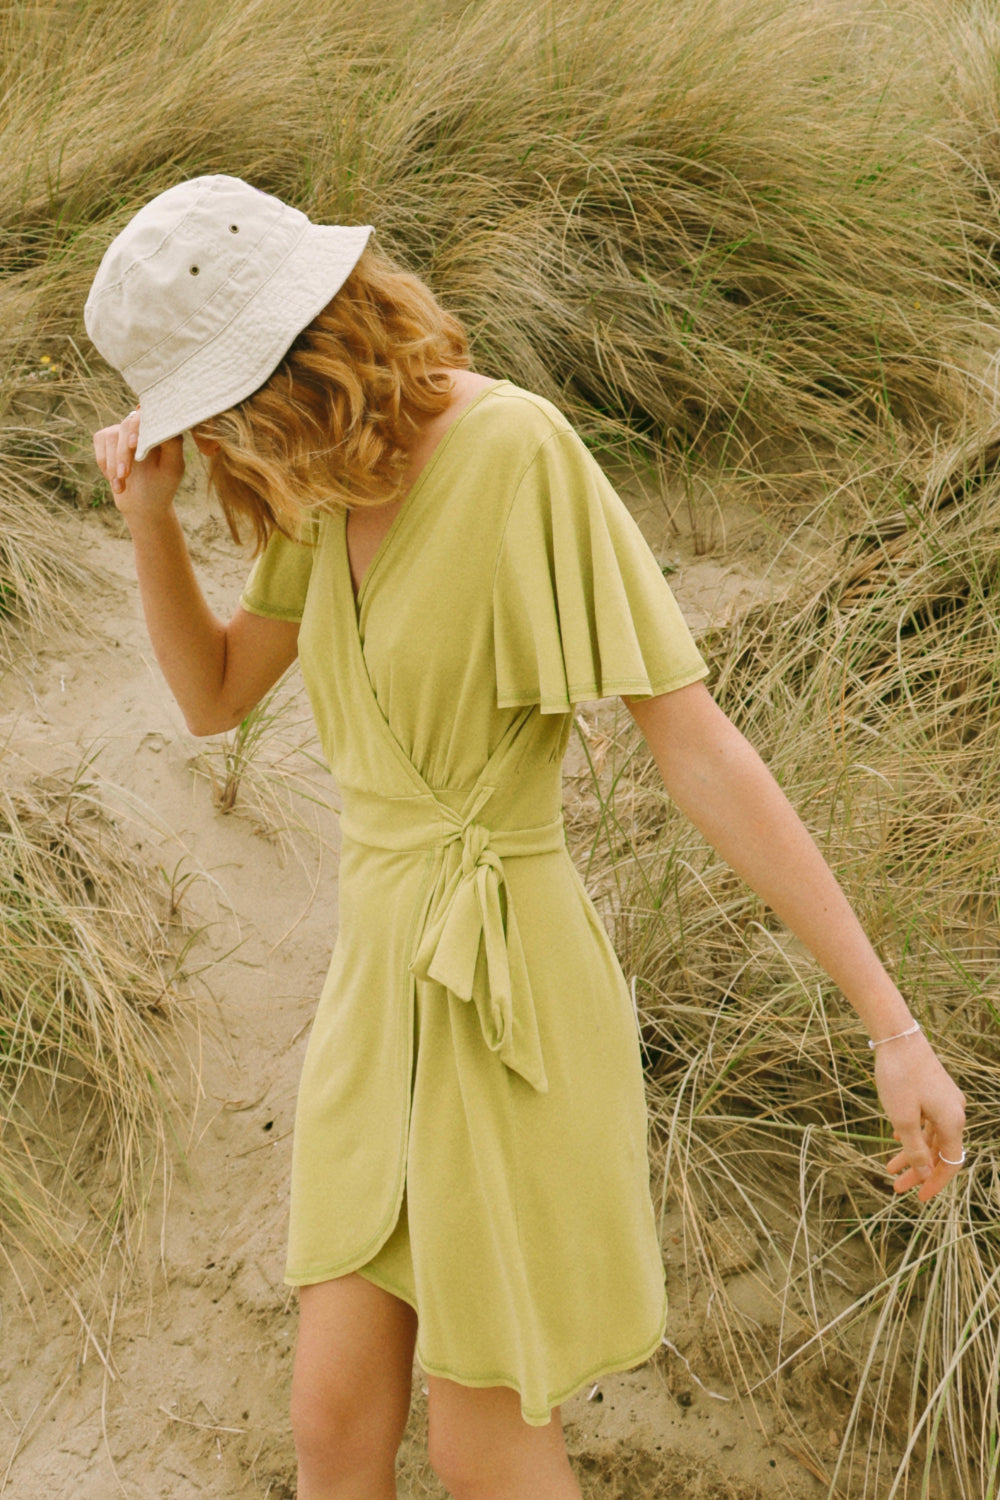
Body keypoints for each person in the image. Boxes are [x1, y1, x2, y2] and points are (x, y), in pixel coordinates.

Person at [87, 175, 966, 1500]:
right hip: (377, 985)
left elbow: (696, 743)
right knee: (332, 1423)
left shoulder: (518, 454)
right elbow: (215, 695)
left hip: (507, 990)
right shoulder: (323, 483)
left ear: (297, 357)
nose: (224, 446)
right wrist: (150, 520)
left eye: (223, 413)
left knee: (484, 1448)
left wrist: (891, 1025)